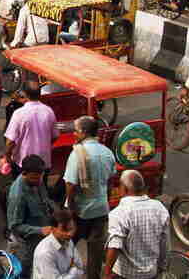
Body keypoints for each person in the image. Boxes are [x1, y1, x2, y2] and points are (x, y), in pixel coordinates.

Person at [63, 116, 116, 279]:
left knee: (66, 245)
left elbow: (70, 184)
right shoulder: (107, 152)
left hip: (81, 211)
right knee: (95, 254)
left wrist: (69, 208)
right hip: (101, 210)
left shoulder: (77, 154)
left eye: (76, 131)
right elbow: (110, 181)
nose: (74, 134)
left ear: (84, 133)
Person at [103, 169, 169, 279]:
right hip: (151, 273)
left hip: (125, 274)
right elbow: (165, 243)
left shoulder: (119, 213)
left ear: (124, 188)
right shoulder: (159, 208)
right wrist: (162, 267)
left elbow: (115, 245)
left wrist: (106, 274)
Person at [6, 154, 54, 278]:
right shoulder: (18, 195)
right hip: (23, 244)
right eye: (33, 178)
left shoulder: (38, 180)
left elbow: (45, 200)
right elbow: (15, 226)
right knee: (22, 273)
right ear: (24, 173)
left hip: (39, 237)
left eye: (40, 177)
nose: (38, 181)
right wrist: (41, 230)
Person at [4, 81, 58, 172]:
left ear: (25, 94)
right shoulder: (49, 111)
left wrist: (7, 157)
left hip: (24, 163)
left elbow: (10, 142)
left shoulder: (19, 113)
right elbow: (55, 136)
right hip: (43, 161)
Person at [32, 208, 85, 279]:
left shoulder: (67, 240)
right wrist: (73, 270)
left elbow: (80, 268)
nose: (70, 234)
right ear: (52, 229)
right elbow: (77, 270)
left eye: (72, 228)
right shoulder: (45, 253)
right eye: (64, 229)